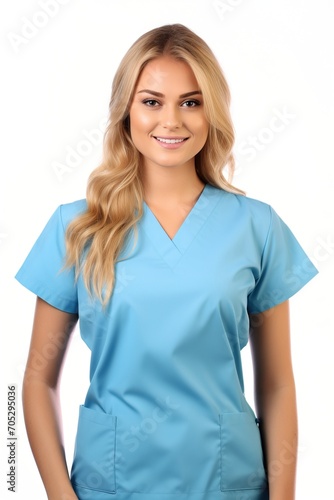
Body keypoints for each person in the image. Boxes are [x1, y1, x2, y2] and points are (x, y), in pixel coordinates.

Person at [16, 24, 318, 500]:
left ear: (211, 111)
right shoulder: (75, 228)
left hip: (228, 486)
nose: (171, 120)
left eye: (191, 102)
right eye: (152, 101)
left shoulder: (257, 227)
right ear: (126, 111)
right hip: (109, 487)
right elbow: (34, 382)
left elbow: (278, 384)